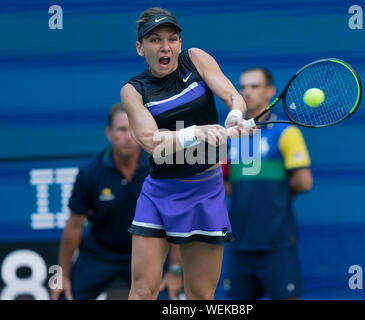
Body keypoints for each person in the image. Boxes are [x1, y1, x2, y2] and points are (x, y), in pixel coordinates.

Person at [120, 7, 246, 300]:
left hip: (206, 190)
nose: (165, 47)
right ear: (140, 48)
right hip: (160, 192)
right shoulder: (133, 90)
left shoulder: (196, 59)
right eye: (154, 40)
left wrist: (236, 113)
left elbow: (231, 95)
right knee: (142, 291)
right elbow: (151, 141)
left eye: (172, 39)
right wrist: (195, 133)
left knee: (201, 295)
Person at [51, 103, 183, 300]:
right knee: (64, 296)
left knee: (167, 297)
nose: (128, 137)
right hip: (99, 254)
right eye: (121, 129)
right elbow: (74, 226)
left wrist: (175, 270)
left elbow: (174, 221)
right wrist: (62, 276)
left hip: (146, 254)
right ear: (109, 133)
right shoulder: (90, 173)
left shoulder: (159, 169)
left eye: (132, 130)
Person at [222, 67, 313, 300]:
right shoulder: (230, 137)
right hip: (240, 243)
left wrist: (277, 193)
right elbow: (225, 185)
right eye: (242, 87)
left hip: (277, 244)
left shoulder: (286, 133)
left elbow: (303, 182)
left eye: (255, 86)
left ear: (270, 91)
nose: (247, 92)